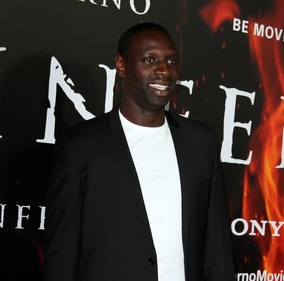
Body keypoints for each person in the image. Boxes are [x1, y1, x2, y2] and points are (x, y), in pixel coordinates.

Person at [43, 23, 235, 281]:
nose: (164, 70)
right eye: (149, 59)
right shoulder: (80, 148)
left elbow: (217, 247)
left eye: (171, 61)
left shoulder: (201, 142)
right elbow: (61, 258)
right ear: (121, 66)